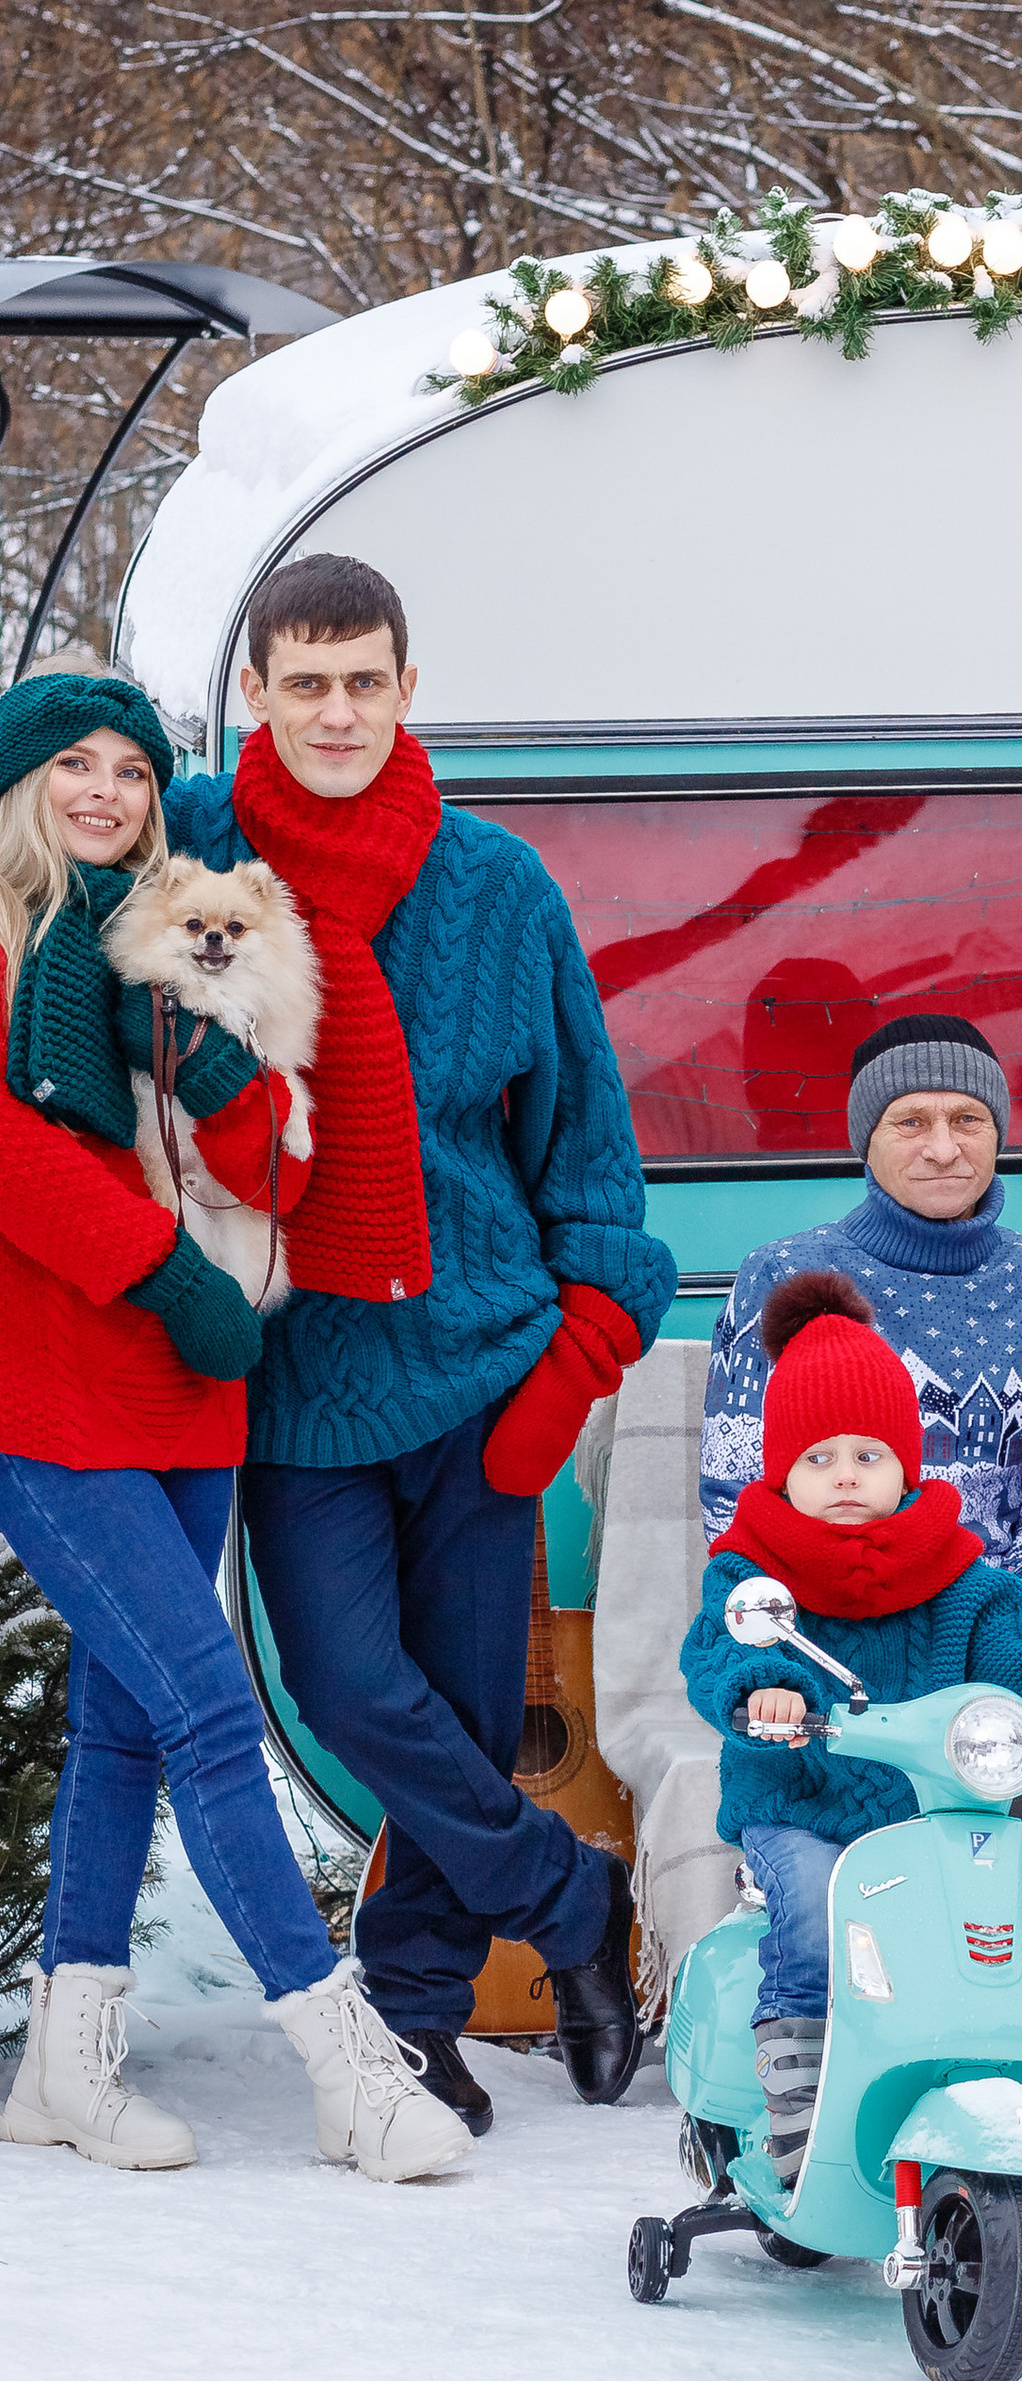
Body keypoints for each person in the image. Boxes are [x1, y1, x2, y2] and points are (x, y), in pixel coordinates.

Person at [165, 555, 677, 2140]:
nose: (334, 710)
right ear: (254, 691)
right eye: (302, 681)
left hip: (479, 1365)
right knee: (344, 1686)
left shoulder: (499, 887)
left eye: (363, 679)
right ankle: (578, 1907)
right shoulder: (202, 878)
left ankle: (417, 2014)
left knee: (456, 1713)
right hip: (301, 1367)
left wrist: (578, 1352)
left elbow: (584, 1143)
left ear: (406, 688)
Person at [0, 660, 473, 2184]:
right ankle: (352, 2069)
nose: (104, 791)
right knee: (209, 1707)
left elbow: (277, 1172)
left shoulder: (173, 950)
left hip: (192, 1393)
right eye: (72, 765)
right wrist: (158, 1267)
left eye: (130, 770)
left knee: (127, 1720)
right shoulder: (17, 952)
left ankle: (64, 2074)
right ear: (23, 787)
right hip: (50, 1386)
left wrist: (214, 1065)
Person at [681, 1271, 1022, 2181]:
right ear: (781, 1469)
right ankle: (799, 2091)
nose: (845, 1477)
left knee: (1006, 1925)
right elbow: (723, 1645)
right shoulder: (757, 1568)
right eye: (819, 1460)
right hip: (802, 1801)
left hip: (938, 1813)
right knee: (820, 1917)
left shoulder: (954, 1572)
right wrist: (765, 1691)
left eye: (868, 1456)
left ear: (908, 1463)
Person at [701, 1011, 1022, 1608]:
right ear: (866, 1141)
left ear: (998, 1132)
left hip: (1000, 1619)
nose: (944, 1149)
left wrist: (1014, 1616)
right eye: (911, 1122)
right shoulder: (782, 1276)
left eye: (968, 1120)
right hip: (834, 1623)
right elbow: (734, 1494)